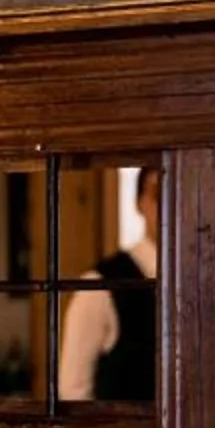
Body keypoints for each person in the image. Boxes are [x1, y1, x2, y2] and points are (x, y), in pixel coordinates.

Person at [58, 164, 160, 405]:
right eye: (159, 195)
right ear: (140, 204)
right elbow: (74, 392)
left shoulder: (205, 281)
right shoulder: (101, 286)